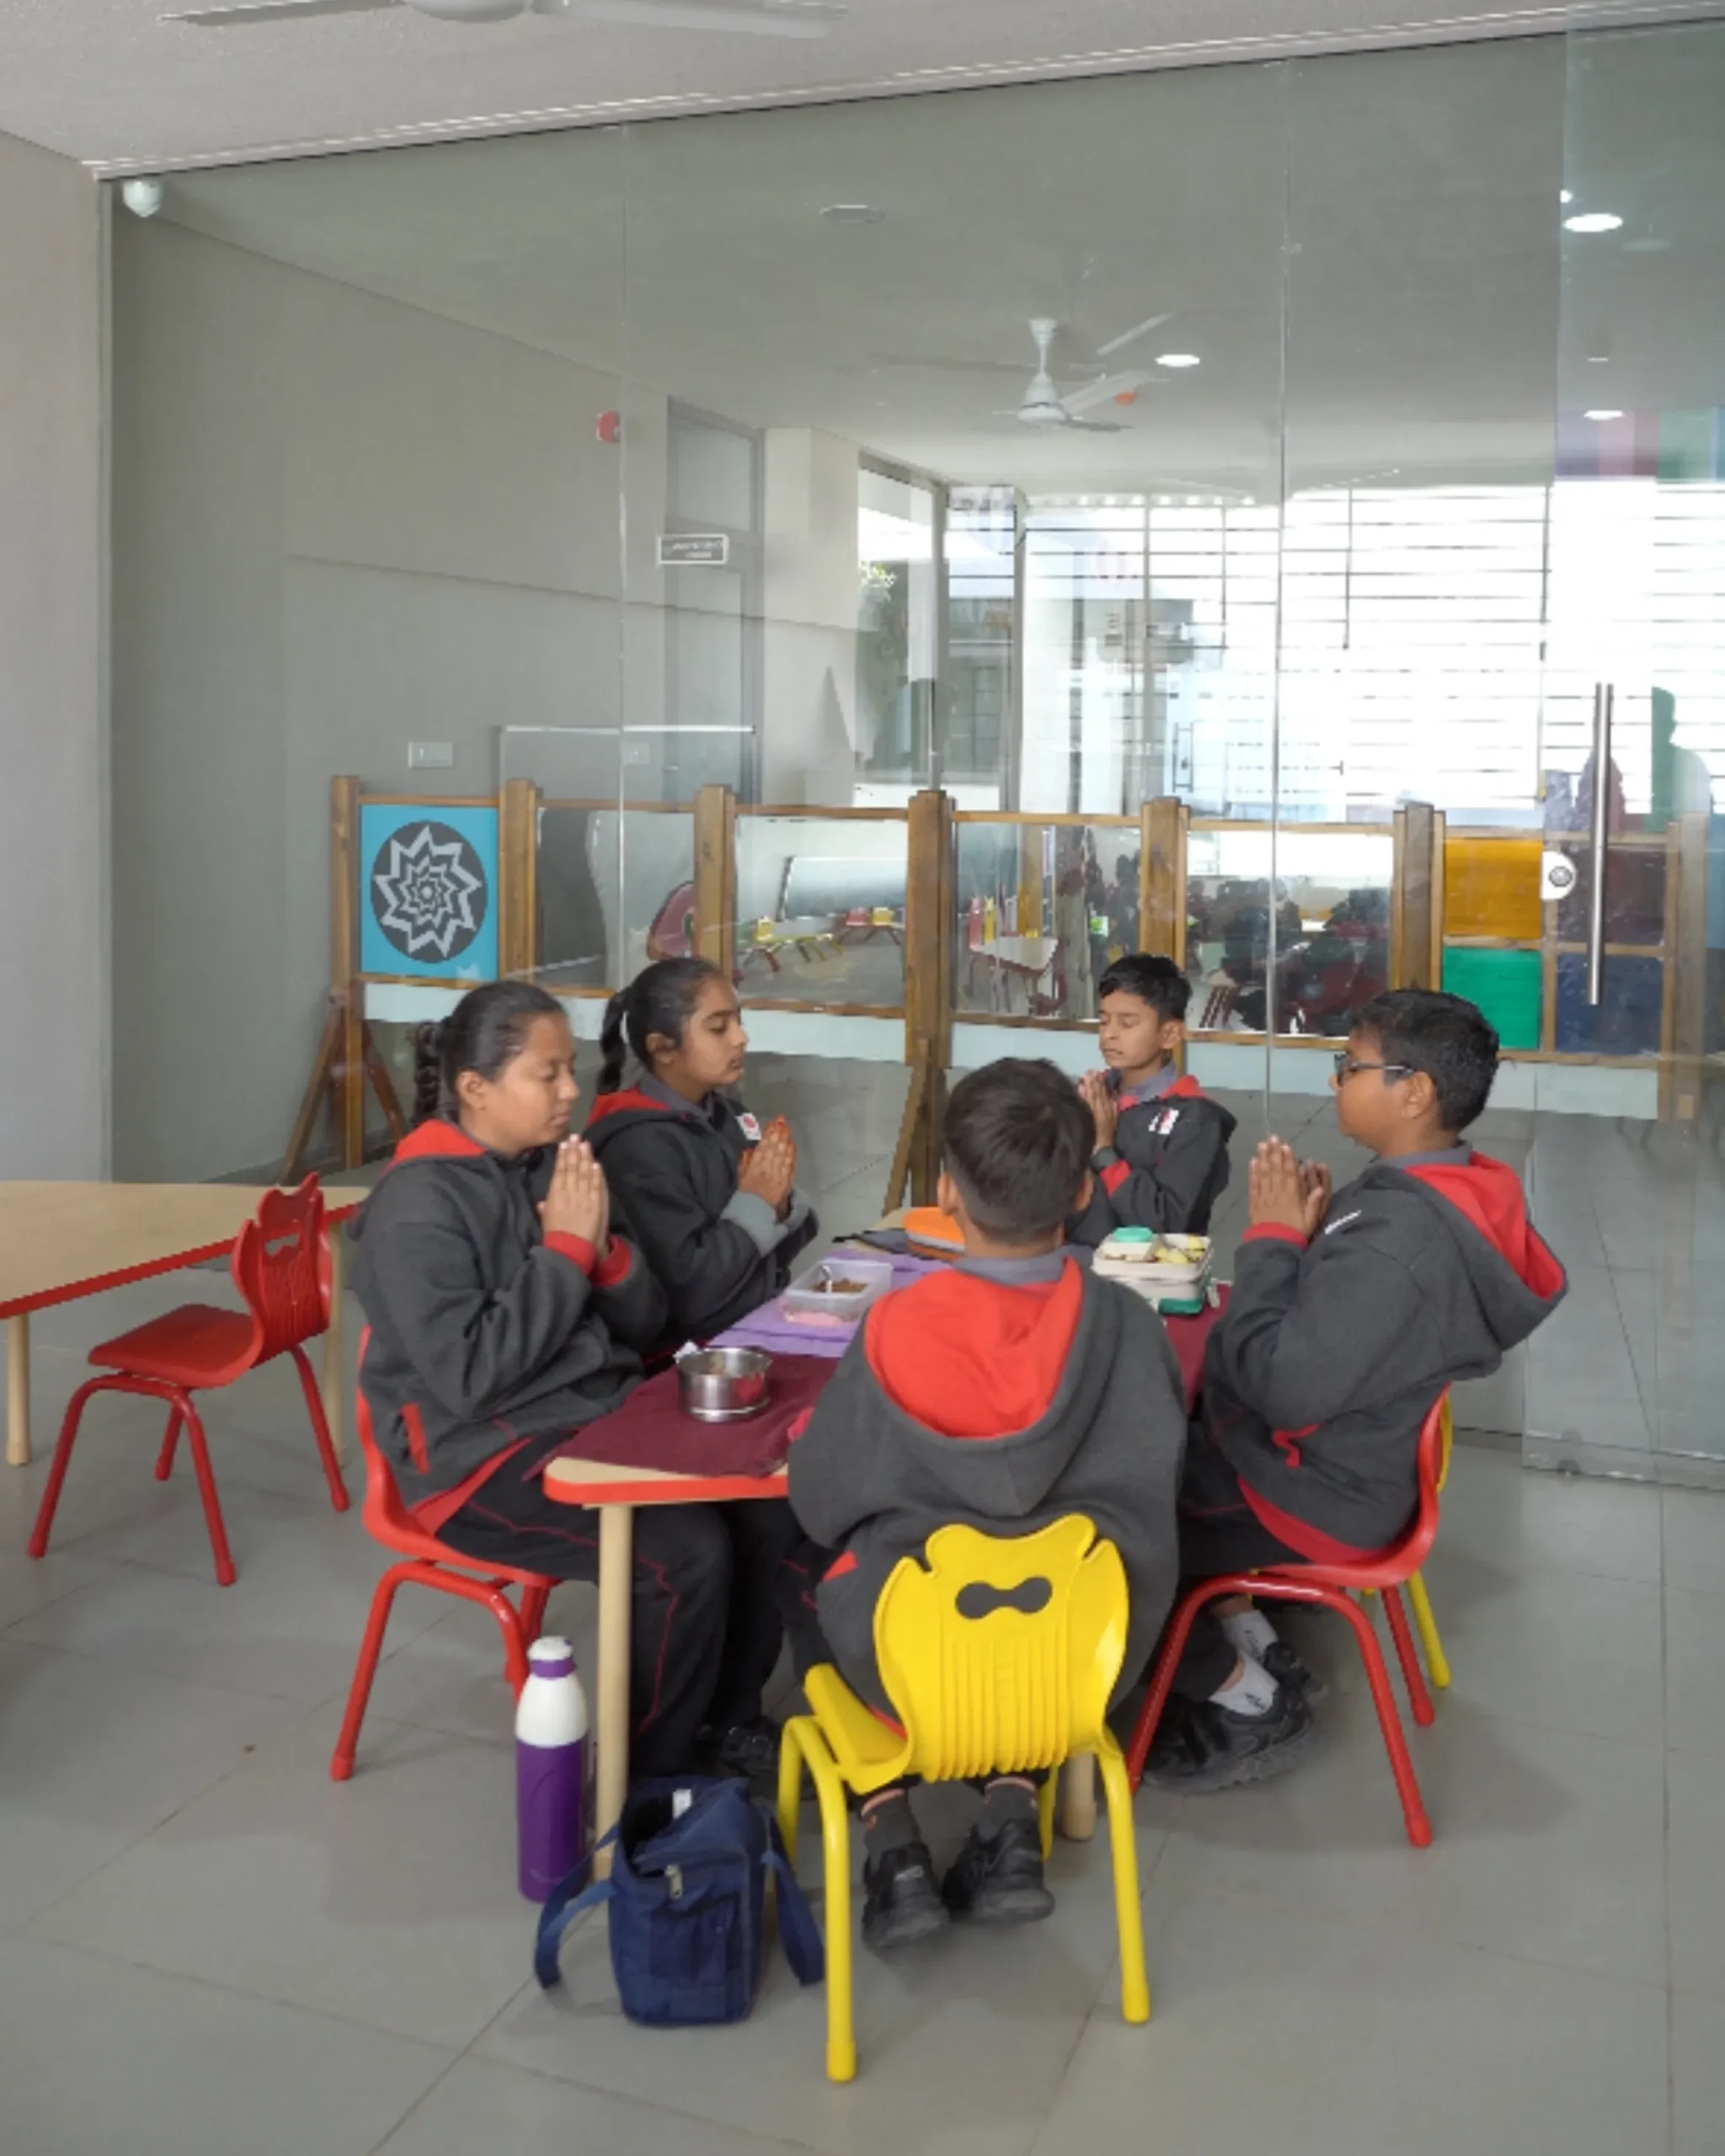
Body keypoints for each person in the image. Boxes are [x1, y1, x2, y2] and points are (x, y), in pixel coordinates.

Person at [348, 979, 796, 1785]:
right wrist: (564, 1253)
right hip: (480, 1456)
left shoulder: (555, 1164)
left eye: (571, 1070)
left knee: (762, 1503)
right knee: (679, 1553)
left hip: (589, 1414)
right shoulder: (418, 1204)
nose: (569, 1093)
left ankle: (727, 1721)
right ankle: (642, 1778)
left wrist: (611, 1259)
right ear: (475, 1088)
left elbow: (640, 1319)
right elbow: (471, 1376)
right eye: (546, 1075)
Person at [783, 1059, 1187, 1951]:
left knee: (803, 1560)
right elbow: (1158, 1478)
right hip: (1081, 1664)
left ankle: (887, 1833)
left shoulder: (896, 1325)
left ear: (943, 1191)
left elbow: (819, 1500)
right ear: (1082, 1188)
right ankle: (1011, 1809)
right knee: (1047, 1573)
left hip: (912, 1659)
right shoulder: (1126, 1323)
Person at [1146, 988, 1567, 1792]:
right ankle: (1254, 1636)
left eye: (1352, 1067)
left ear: (1414, 1091)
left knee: (1122, 1518)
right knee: (1171, 1447)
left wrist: (1271, 1241)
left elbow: (1284, 1387)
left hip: (1315, 1490)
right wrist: (1310, 1241)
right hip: (1352, 1464)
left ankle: (1250, 1704)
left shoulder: (1399, 1243)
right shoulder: (1438, 1188)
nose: (1336, 1080)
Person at [585, 957, 818, 1348]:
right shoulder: (638, 1146)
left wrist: (777, 1205)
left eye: (739, 1021)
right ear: (662, 1048)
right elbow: (689, 1296)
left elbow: (789, 1241)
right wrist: (759, 1203)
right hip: (687, 1357)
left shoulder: (730, 1116)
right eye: (718, 1028)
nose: (740, 1038)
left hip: (754, 1318)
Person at [1067, 952, 1237, 1245]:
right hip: (1077, 1265)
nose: (1109, 1035)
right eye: (1104, 1021)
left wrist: (1104, 1151)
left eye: (1127, 1023)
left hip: (1147, 1277)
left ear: (1169, 1034)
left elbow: (1166, 1223)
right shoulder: (1093, 1094)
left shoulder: (1195, 1120)